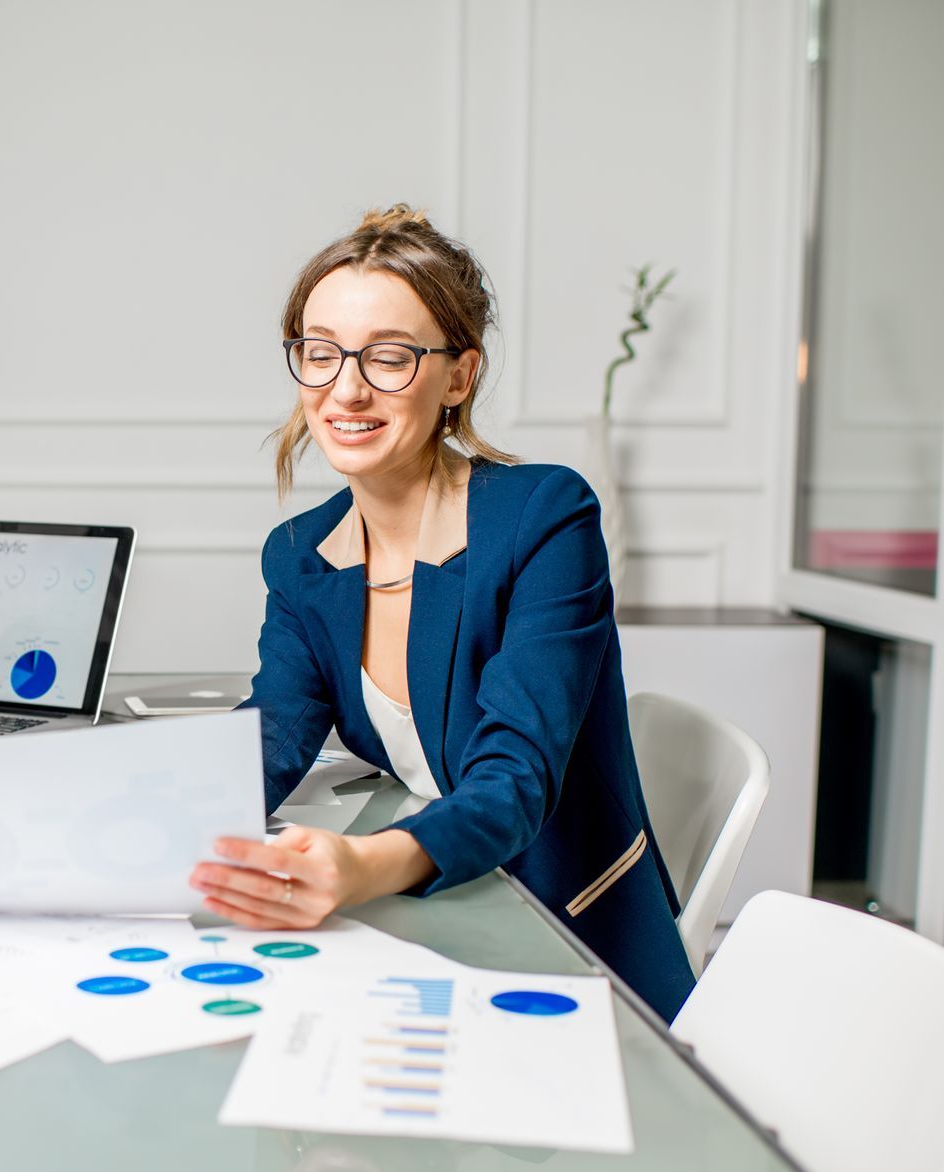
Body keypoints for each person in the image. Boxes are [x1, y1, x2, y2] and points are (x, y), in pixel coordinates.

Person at [189, 206, 694, 1021]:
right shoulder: (300, 553)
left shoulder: (544, 518)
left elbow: (514, 779)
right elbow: (272, 735)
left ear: (459, 376)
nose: (345, 389)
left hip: (561, 939)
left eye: (389, 357)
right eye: (320, 354)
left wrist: (358, 866)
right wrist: (124, 819)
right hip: (435, 918)